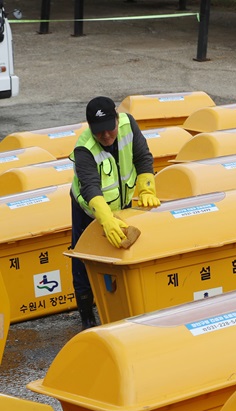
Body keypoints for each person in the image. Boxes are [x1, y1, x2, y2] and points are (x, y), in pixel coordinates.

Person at [69, 96, 160, 329]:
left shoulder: (129, 125)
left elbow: (142, 158)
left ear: (117, 120)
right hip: (89, 209)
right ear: (90, 127)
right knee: (83, 255)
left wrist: (147, 188)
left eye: (110, 129)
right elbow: (90, 187)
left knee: (123, 250)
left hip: (123, 201)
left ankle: (122, 303)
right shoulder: (84, 148)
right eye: (99, 132)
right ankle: (87, 315)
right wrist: (106, 219)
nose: (106, 136)